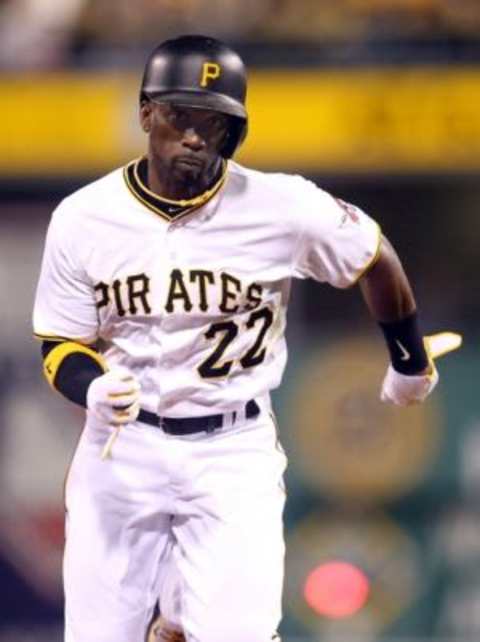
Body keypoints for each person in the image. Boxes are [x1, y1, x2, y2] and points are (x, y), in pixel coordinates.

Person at [33, 35, 441, 642]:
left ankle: (179, 617)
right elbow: (60, 345)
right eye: (181, 116)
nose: (197, 136)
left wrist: (408, 361)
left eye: (215, 122)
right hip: (121, 449)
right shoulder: (82, 217)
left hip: (232, 447)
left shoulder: (281, 205)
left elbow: (374, 256)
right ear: (147, 113)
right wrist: (90, 387)